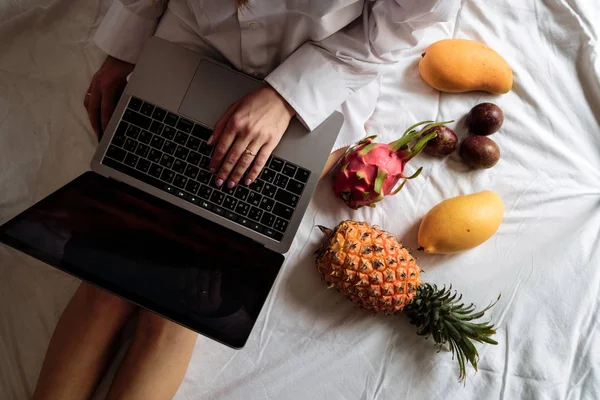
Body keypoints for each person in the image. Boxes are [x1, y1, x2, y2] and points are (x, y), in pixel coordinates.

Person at [33, 1, 459, 398]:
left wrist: (286, 96)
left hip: (322, 77)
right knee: (109, 272)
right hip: (194, 39)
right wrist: (126, 43)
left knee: (181, 302)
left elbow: (399, 27)